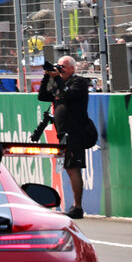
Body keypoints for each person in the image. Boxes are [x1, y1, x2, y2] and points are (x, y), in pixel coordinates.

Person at [35, 56, 99, 219]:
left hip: (75, 132)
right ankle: (76, 206)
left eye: (63, 67)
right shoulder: (58, 83)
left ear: (72, 68)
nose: (60, 69)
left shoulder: (79, 83)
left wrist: (57, 78)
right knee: (69, 168)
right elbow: (42, 96)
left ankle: (77, 207)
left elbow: (67, 95)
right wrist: (47, 76)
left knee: (73, 168)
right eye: (59, 66)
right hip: (64, 133)